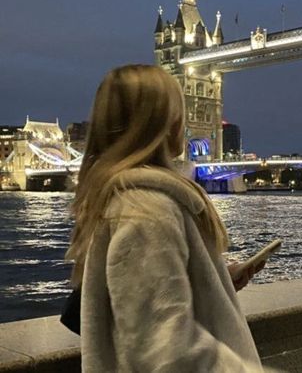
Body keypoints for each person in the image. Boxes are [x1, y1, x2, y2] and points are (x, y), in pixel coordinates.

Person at [66, 64, 268, 372]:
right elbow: (165, 349)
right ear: (161, 122)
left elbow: (143, 295)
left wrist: (214, 278)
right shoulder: (147, 211)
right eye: (179, 108)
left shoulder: (130, 200)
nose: (185, 119)